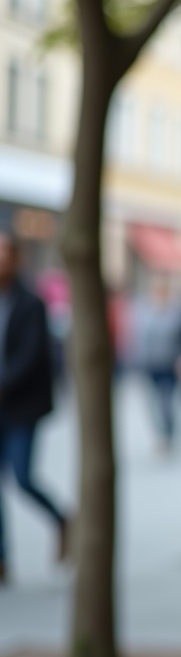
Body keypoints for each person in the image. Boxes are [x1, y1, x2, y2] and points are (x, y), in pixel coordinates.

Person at [0, 231, 67, 585]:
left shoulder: (31, 303)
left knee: (23, 477)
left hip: (21, 407)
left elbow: (32, 355)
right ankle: (1, 558)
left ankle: (61, 519)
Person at [127, 276, 181, 453]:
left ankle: (169, 434)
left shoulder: (176, 312)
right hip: (151, 365)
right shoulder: (145, 310)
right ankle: (161, 435)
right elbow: (139, 339)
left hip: (171, 365)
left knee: (167, 402)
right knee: (153, 403)